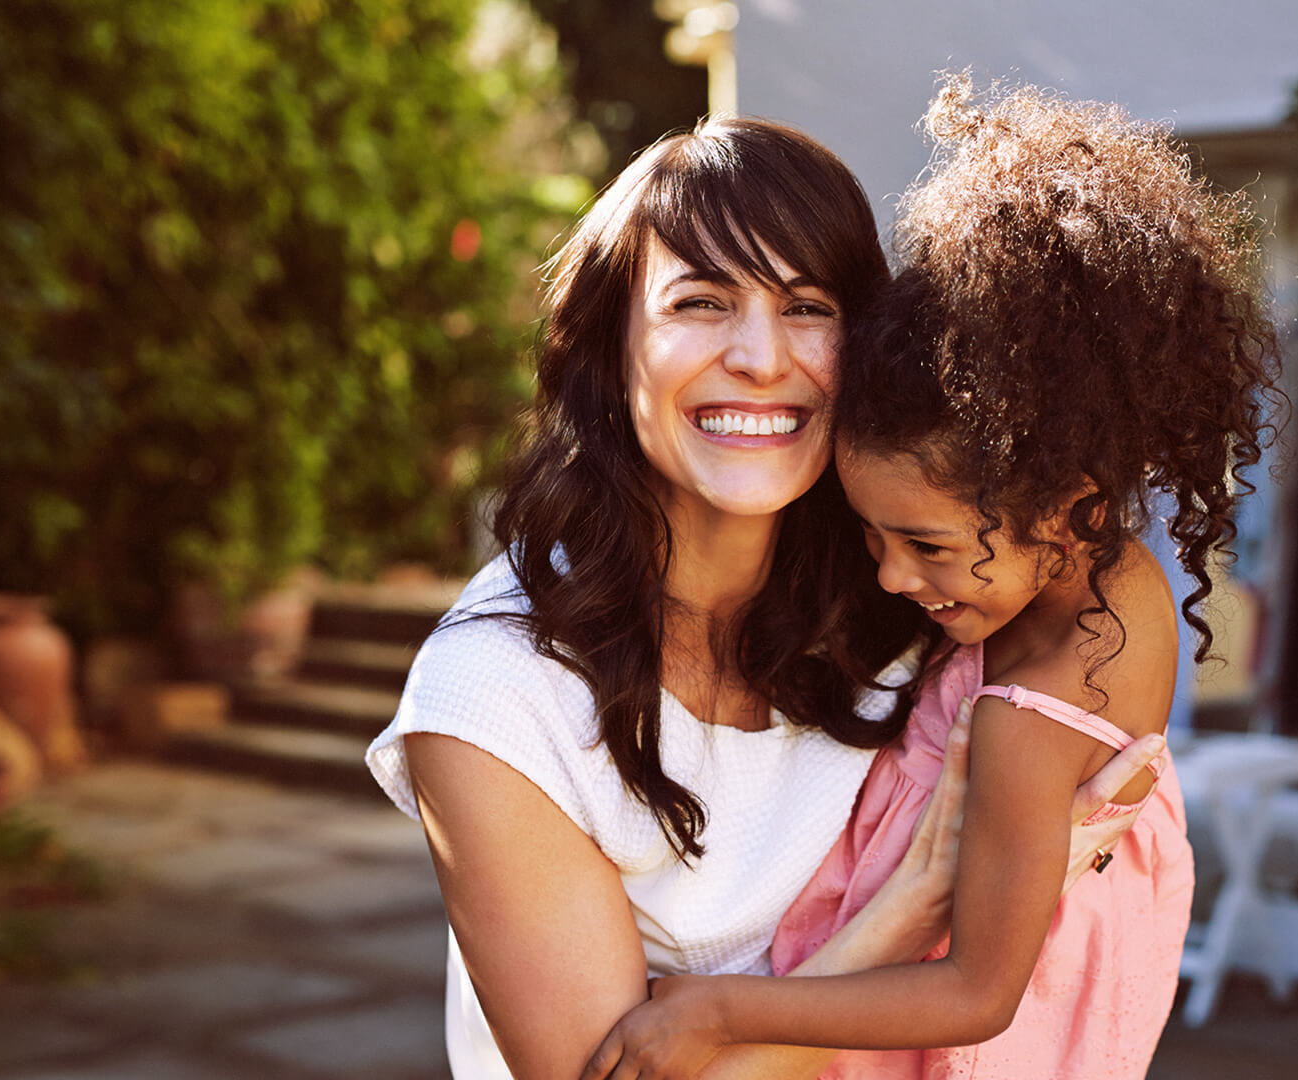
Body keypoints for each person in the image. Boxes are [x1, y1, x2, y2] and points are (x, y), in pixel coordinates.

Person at [364, 112, 1161, 1080]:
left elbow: (1106, 592)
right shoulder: (495, 694)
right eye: (699, 302)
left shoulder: (916, 591)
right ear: (611, 347)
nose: (759, 356)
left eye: (808, 306)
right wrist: (916, 905)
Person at [579, 78, 1279, 1080]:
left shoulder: (1032, 711)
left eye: (930, 547)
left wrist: (719, 1012)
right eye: (871, 538)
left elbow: (979, 994)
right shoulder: (1106, 577)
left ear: (1066, 500)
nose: (896, 578)